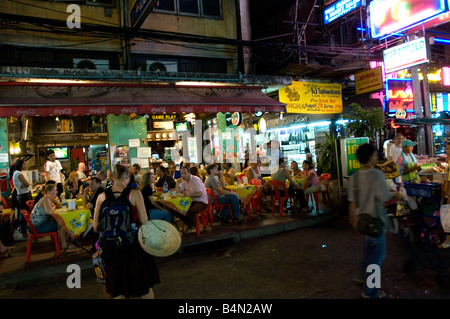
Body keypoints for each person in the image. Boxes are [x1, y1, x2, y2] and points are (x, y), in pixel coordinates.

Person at [93, 164, 160, 299]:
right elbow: (144, 220)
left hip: (110, 249)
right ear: (128, 176)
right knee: (144, 287)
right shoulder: (135, 194)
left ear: (111, 177)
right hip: (132, 247)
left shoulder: (101, 196)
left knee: (118, 289)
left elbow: (95, 227)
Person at [347, 143, 400, 299]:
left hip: (362, 222)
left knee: (370, 252)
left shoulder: (355, 177)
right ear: (370, 157)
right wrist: (397, 195)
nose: (377, 157)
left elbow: (352, 203)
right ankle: (370, 292)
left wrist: (353, 223)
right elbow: (384, 196)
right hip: (376, 222)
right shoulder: (376, 175)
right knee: (376, 258)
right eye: (375, 154)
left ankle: (360, 277)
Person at [30, 184, 68, 250]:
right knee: (62, 223)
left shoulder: (47, 199)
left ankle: (61, 241)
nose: (57, 192)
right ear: (49, 192)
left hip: (36, 225)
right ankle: (64, 244)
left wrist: (55, 202)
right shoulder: (45, 199)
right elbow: (50, 212)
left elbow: (56, 207)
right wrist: (55, 205)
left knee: (60, 220)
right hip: (38, 227)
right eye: (55, 190)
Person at [176, 166, 209, 235]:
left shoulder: (195, 179)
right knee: (179, 210)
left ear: (189, 173)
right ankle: (191, 225)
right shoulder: (184, 182)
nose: (183, 175)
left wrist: (189, 194)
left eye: (185, 173)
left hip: (202, 202)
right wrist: (177, 183)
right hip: (193, 201)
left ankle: (191, 226)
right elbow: (178, 191)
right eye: (182, 173)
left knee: (191, 211)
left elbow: (200, 193)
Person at [12, 159, 32, 238]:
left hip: (22, 194)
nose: (25, 165)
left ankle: (23, 230)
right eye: (24, 164)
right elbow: (27, 184)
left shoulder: (17, 173)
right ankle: (23, 231)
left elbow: (25, 184)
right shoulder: (18, 173)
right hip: (23, 195)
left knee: (23, 212)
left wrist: (25, 184)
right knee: (24, 214)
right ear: (20, 165)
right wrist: (25, 183)